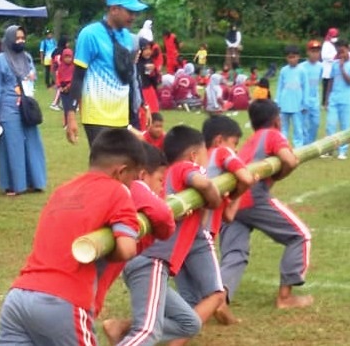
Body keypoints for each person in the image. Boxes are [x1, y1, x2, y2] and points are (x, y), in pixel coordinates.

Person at [0, 128, 146, 344]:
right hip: (62, 302)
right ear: (121, 172)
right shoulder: (118, 191)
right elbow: (127, 249)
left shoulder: (62, 191)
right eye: (133, 179)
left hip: (19, 296)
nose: (132, 185)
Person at [131, 125, 221, 345]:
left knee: (189, 312)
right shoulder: (186, 167)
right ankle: (129, 330)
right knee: (215, 295)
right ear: (194, 155)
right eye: (204, 156)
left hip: (159, 255)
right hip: (155, 259)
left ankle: (127, 328)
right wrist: (214, 201)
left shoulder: (167, 174)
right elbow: (204, 182)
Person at [219, 99, 313, 309]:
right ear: (277, 120)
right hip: (253, 196)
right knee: (300, 236)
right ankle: (285, 297)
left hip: (232, 203)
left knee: (235, 253)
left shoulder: (251, 141)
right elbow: (289, 160)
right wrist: (282, 175)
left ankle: (218, 300)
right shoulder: (272, 134)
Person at [188, 116, 255, 325]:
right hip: (201, 237)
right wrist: (248, 182)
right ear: (219, 141)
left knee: (189, 300)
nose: (235, 150)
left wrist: (234, 195)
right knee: (216, 293)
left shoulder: (197, 163)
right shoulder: (220, 153)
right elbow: (245, 176)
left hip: (187, 234)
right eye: (234, 143)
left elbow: (229, 216)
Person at [68, 0, 147, 147]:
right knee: (104, 165)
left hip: (121, 116)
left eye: (135, 12)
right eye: (130, 11)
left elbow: (127, 77)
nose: (134, 16)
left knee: (123, 168)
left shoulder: (127, 37)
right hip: (97, 116)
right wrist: (70, 116)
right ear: (114, 9)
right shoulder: (90, 34)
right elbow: (77, 77)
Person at [0, 25, 47, 196]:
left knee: (32, 143)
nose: (20, 41)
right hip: (8, 108)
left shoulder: (27, 58)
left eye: (22, 38)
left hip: (27, 107)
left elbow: (32, 78)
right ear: (9, 39)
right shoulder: (0, 60)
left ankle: (34, 181)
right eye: (17, 38)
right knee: (13, 145)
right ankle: (14, 184)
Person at [324, 40, 350, 160]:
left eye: (343, 52)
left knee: (345, 127)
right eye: (339, 52)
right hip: (334, 99)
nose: (341, 55)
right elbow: (331, 81)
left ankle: (343, 151)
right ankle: (329, 149)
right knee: (330, 125)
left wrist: (342, 68)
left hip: (347, 100)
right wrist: (327, 99)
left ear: (347, 50)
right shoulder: (335, 64)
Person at [276, 45, 307, 148]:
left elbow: (305, 88)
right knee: (283, 128)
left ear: (298, 57)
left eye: (294, 57)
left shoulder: (302, 71)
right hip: (284, 104)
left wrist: (304, 104)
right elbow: (280, 87)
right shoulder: (283, 70)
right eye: (290, 57)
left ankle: (298, 147)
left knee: (298, 128)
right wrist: (278, 102)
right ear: (286, 58)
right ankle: (283, 147)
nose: (292, 59)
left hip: (297, 105)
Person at [300, 40, 323, 145]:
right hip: (304, 99)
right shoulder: (302, 67)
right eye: (313, 51)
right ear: (308, 52)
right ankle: (304, 144)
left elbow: (320, 81)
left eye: (317, 51)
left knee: (315, 123)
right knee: (304, 124)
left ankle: (311, 143)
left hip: (315, 99)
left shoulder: (320, 66)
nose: (315, 54)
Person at [54, 48, 75, 123]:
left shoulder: (73, 67)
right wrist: (59, 86)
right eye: (66, 57)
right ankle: (66, 122)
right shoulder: (61, 67)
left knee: (71, 107)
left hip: (71, 88)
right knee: (65, 106)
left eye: (70, 57)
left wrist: (68, 86)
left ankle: (71, 121)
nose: (68, 59)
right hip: (62, 88)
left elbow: (74, 78)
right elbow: (58, 77)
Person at [320, 28, 339, 107]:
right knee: (326, 86)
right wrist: (333, 57)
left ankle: (330, 101)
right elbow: (324, 56)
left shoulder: (333, 44)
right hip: (327, 69)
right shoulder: (326, 44)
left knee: (332, 86)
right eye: (334, 36)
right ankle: (324, 102)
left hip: (332, 68)